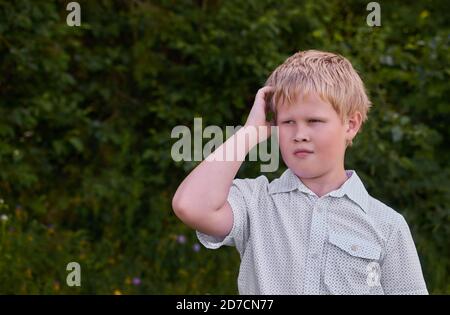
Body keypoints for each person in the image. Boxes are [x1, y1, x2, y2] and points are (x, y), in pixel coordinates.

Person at [172, 50, 428, 295]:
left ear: (351, 125)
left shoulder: (387, 226)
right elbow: (190, 205)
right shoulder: (256, 202)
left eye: (314, 121)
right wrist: (250, 132)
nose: (300, 135)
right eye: (288, 122)